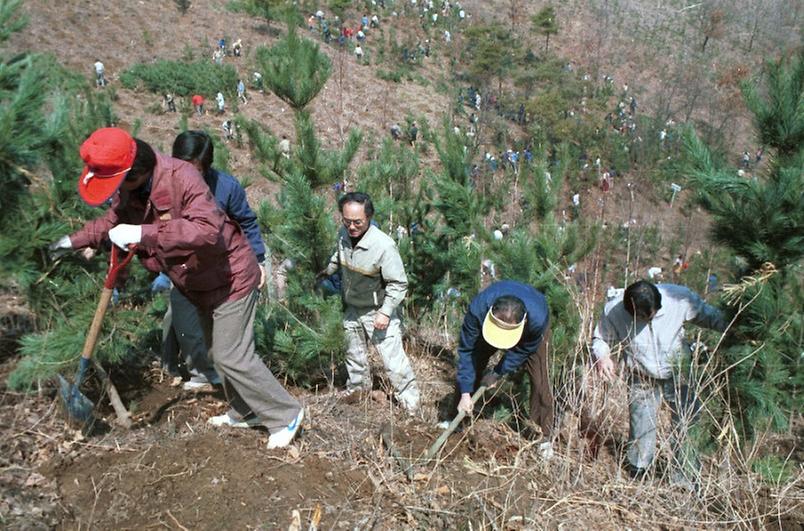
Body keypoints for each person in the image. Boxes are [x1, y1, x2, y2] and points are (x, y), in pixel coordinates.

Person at [48, 128, 303, 448]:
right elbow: (110, 223)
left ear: (136, 173)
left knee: (231, 355)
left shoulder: (181, 176)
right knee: (215, 352)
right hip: (197, 283)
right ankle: (244, 409)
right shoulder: (131, 190)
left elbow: (207, 230)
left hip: (231, 276)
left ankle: (285, 414)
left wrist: (144, 233)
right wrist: (71, 241)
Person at [592, 281, 727, 487]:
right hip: (640, 371)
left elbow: (710, 316)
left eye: (652, 315)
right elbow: (601, 338)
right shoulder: (614, 310)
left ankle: (684, 476)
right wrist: (603, 357)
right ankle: (639, 471)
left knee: (687, 419)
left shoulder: (678, 298)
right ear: (631, 310)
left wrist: (739, 326)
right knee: (641, 422)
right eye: (643, 318)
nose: (649, 319)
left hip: (678, 369)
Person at [320, 192, 421, 413]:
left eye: (357, 222)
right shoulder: (343, 235)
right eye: (347, 221)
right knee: (353, 354)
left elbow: (398, 283)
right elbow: (338, 257)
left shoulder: (383, 245)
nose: (352, 227)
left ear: (369, 217)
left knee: (393, 361)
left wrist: (385, 312)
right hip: (352, 306)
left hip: (377, 310)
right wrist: (326, 271)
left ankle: (410, 403)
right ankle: (358, 390)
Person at [453, 280, 554, 458]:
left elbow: (523, 350)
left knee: (540, 380)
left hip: (532, 328)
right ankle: (456, 418)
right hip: (487, 321)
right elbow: (466, 351)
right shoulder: (478, 310)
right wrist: (465, 393)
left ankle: (545, 436)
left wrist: (498, 372)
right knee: (474, 363)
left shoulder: (537, 320)